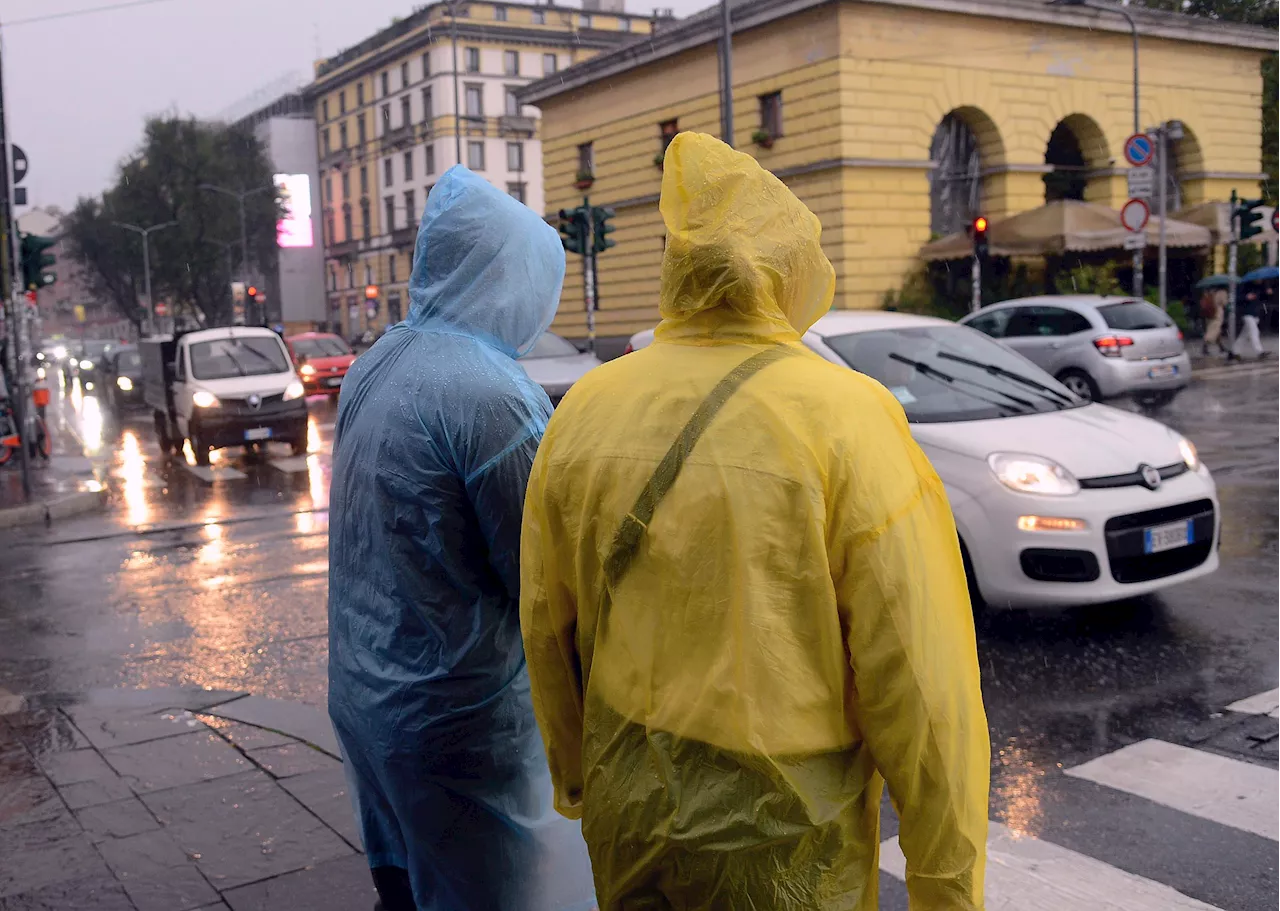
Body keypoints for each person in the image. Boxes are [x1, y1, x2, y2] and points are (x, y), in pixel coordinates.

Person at [521, 132, 990, 911]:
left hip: (629, 802)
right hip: (784, 834)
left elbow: (545, 620)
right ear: (791, 271)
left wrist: (578, 774)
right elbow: (919, 672)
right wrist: (948, 885)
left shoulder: (585, 410)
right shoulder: (847, 416)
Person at [328, 166, 596, 911]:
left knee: (407, 890)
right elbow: (544, 580)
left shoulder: (377, 362)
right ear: (508, 278)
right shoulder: (491, 396)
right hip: (463, 727)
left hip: (370, 701)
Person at [1231, 285, 1267, 360]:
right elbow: (1237, 299)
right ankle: (1259, 351)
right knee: (1255, 332)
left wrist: (1268, 293)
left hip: (1255, 315)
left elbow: (1263, 299)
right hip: (1247, 314)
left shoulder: (1259, 288)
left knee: (1244, 335)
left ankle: (1235, 351)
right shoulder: (1243, 287)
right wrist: (1246, 297)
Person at [1201, 286, 1228, 357]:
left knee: (1216, 331)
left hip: (1209, 315)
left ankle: (1221, 347)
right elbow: (1224, 303)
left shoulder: (1208, 292)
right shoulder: (1222, 292)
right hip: (1217, 314)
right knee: (1212, 331)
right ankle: (1205, 347)